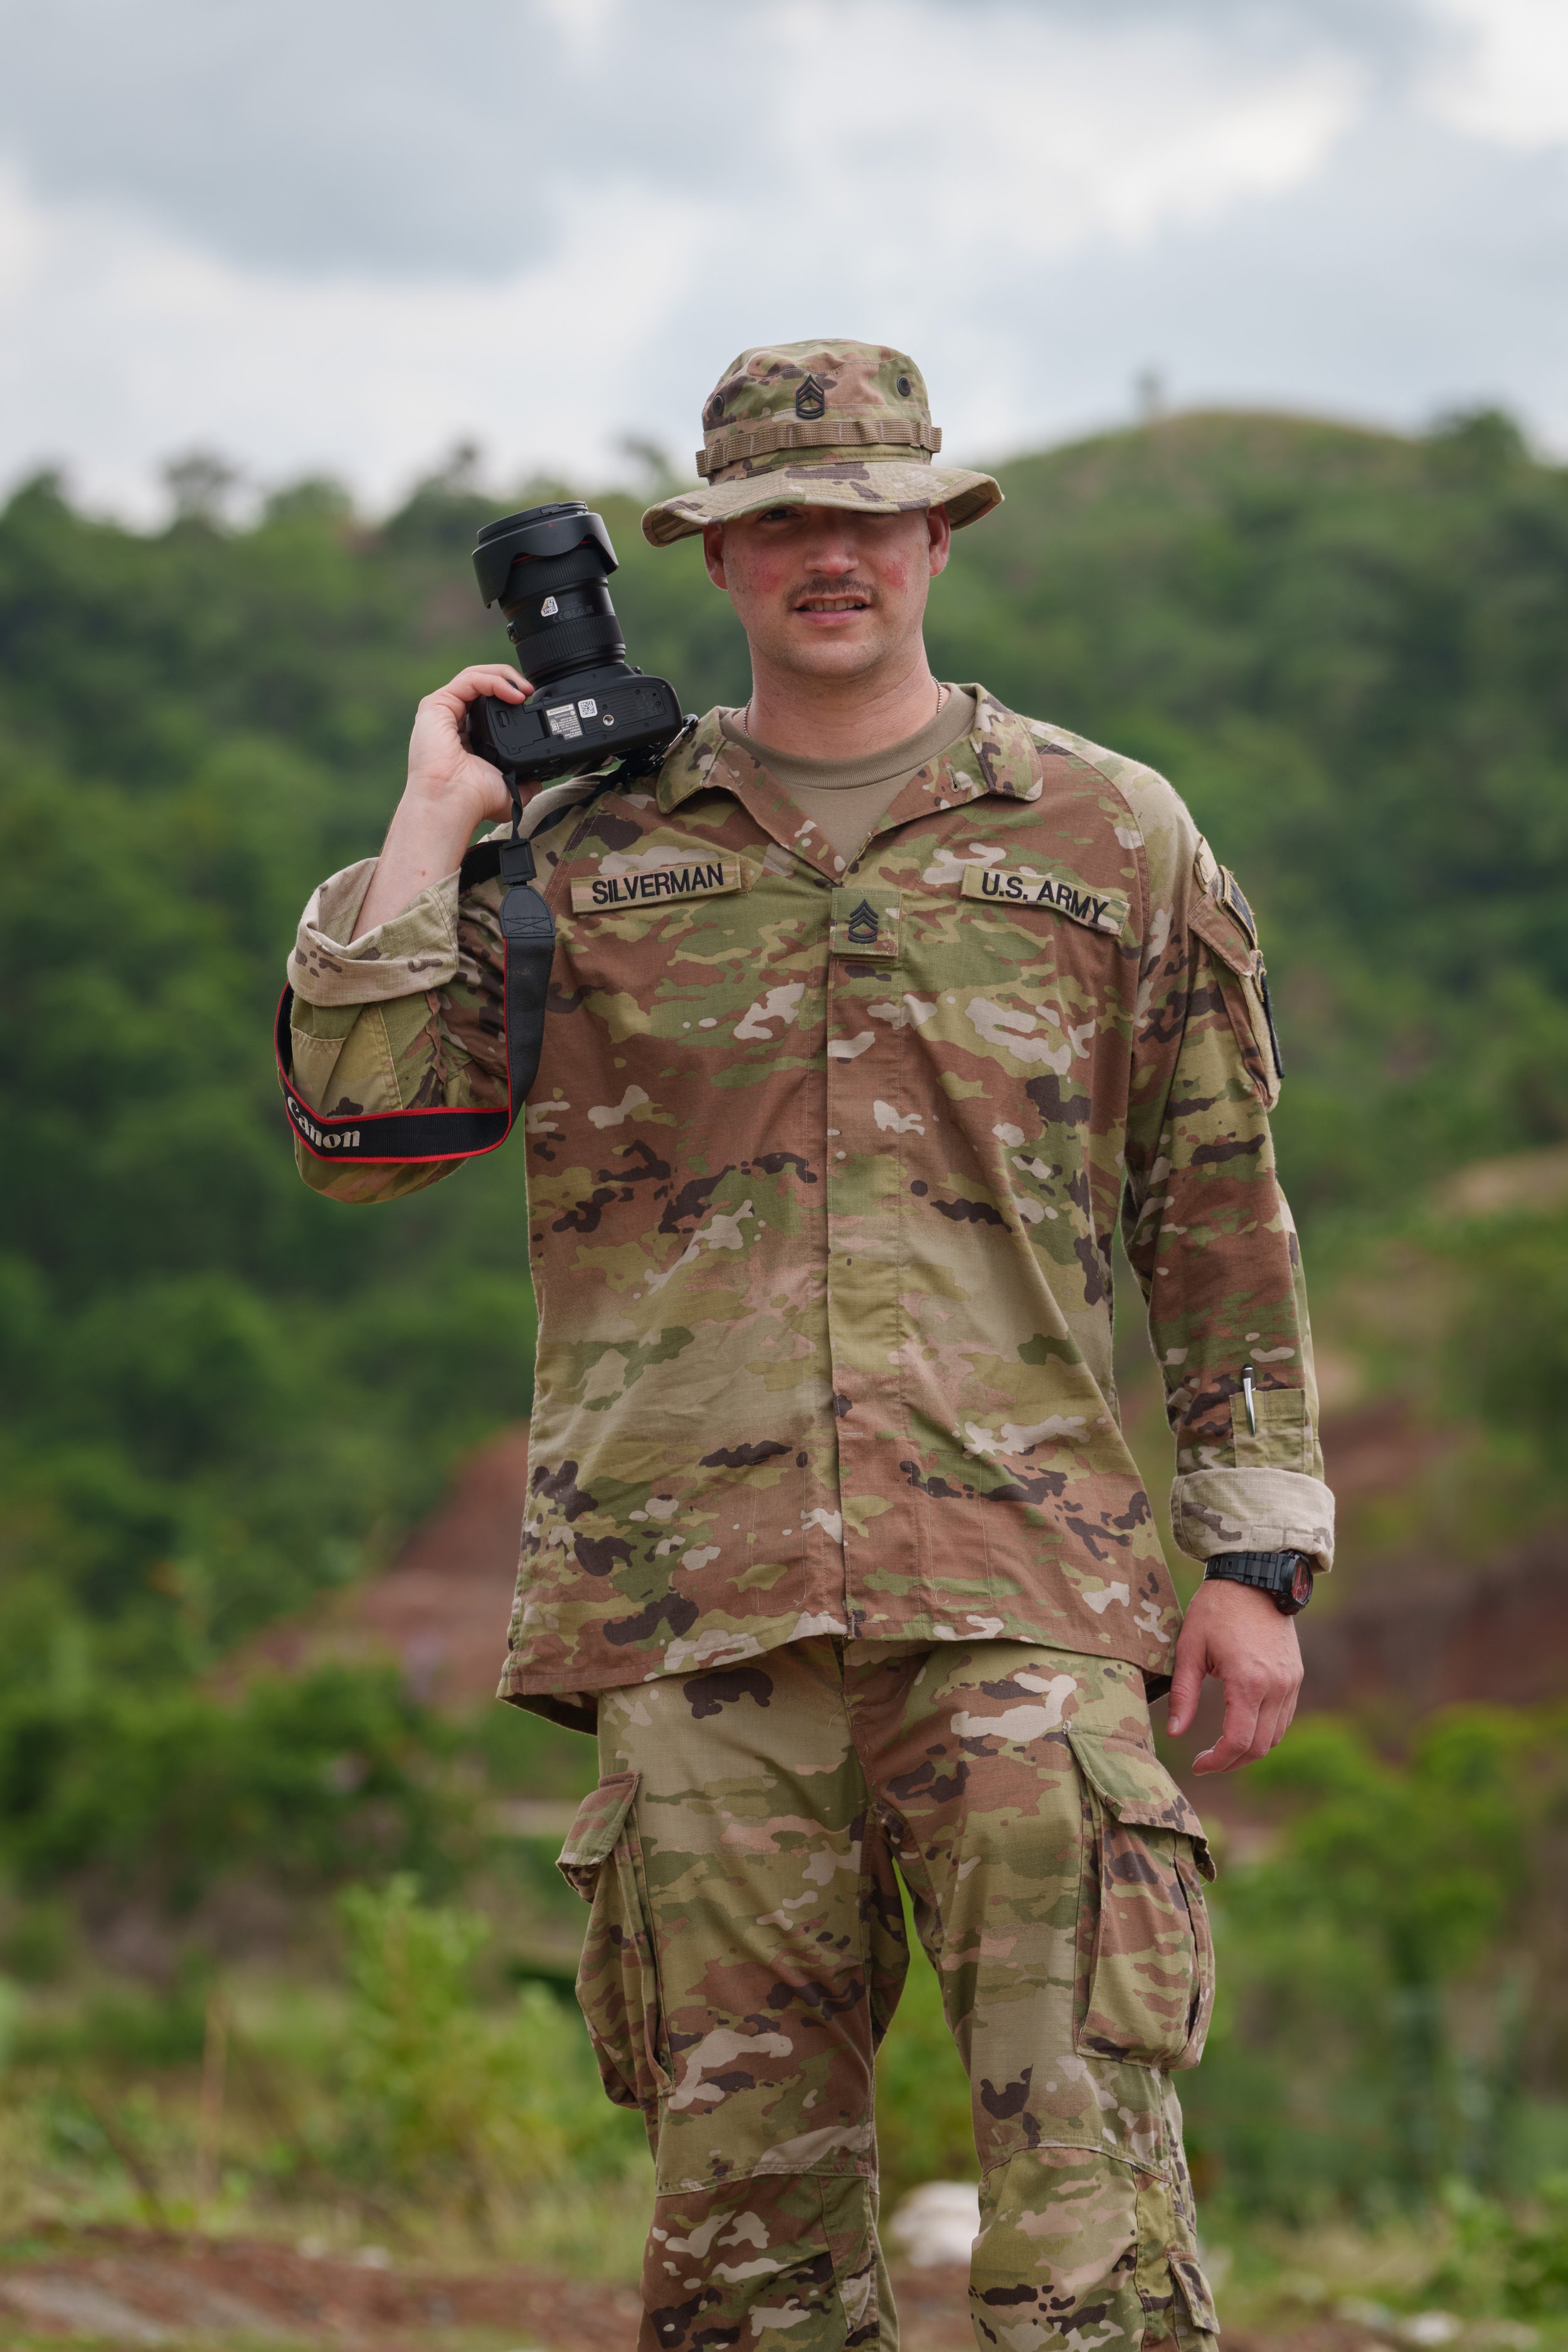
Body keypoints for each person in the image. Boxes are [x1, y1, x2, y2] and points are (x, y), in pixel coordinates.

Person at [284, 341, 1333, 2352]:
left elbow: (1208, 1206)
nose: (827, 553)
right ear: (715, 557)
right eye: (780, 522)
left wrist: (1253, 1557)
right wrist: (431, 832)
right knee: (743, 2246)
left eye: (865, 514)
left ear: (936, 532)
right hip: (694, 1607)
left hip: (1024, 1595)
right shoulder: (587, 851)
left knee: (1088, 2197)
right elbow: (360, 1140)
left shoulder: (1110, 836)